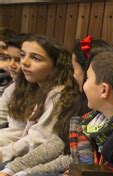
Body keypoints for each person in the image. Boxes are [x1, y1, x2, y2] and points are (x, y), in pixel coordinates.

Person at [0, 35, 113, 176]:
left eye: (75, 68)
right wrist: (12, 169)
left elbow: (72, 160)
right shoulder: (82, 104)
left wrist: (21, 172)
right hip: (50, 167)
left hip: (61, 174)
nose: (72, 74)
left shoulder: (87, 109)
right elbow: (58, 141)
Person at [0, 35, 81, 163]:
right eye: (23, 55)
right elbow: (17, 130)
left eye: (36, 58)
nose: (24, 62)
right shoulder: (27, 86)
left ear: (56, 65)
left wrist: (4, 153)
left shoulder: (58, 94)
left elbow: (39, 140)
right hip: (20, 157)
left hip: (42, 162)